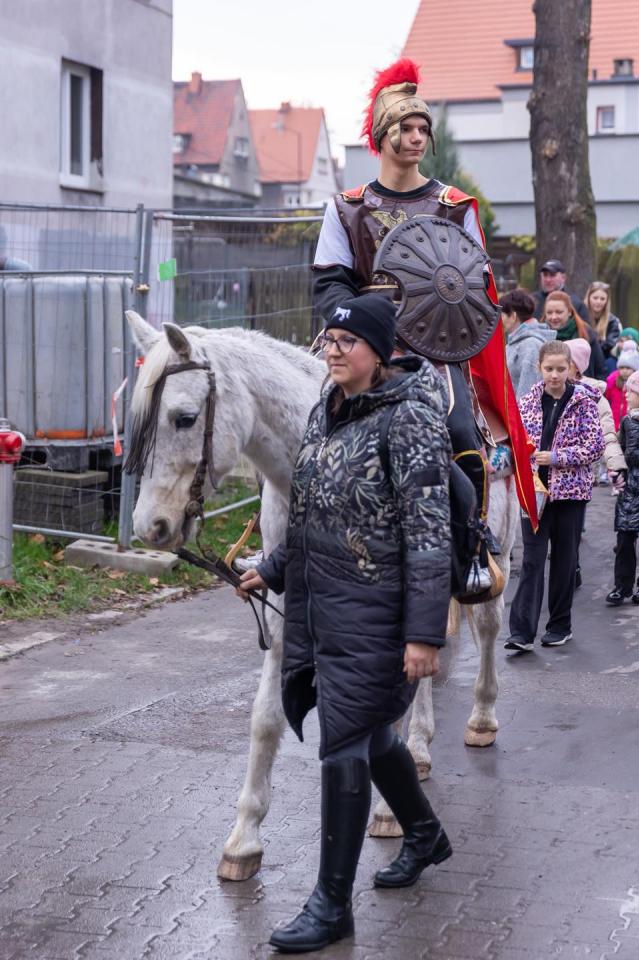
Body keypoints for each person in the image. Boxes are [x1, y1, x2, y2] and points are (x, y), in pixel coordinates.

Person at [238, 294, 453, 953]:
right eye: (327, 340)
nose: (331, 350)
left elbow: (428, 535)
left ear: (380, 351)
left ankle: (332, 904)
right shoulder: (324, 411)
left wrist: (422, 634)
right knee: (368, 733)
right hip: (322, 604)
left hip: (380, 613)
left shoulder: (411, 419)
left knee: (344, 745)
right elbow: (313, 508)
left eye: (345, 341)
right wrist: (273, 567)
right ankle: (425, 834)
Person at [312, 57, 538, 588]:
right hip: (364, 349)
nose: (416, 138)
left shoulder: (452, 206)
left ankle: (471, 555)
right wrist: (365, 333)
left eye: (422, 130)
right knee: (307, 429)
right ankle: (288, 546)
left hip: (436, 354)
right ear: (381, 135)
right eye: (406, 128)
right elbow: (330, 286)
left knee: (461, 433)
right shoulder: (347, 208)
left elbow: (475, 287)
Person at [505, 340, 604, 652]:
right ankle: (521, 633)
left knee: (564, 560)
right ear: (539, 368)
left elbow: (595, 447)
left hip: (570, 493)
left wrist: (557, 456)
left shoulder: (585, 402)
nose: (555, 374)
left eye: (561, 368)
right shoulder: (528, 401)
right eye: (549, 369)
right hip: (534, 492)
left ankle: (560, 626)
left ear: (571, 368)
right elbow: (516, 440)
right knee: (532, 561)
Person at [566, 338, 627, 587]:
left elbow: (607, 432)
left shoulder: (593, 396)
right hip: (549, 471)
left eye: (565, 363)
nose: (556, 369)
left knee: (572, 527)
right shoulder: (546, 389)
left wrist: (615, 464)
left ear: (577, 367)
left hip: (580, 474)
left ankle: (573, 565)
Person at [606, 369, 639, 606]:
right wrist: (615, 469)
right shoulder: (628, 421)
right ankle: (622, 586)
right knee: (625, 540)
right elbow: (619, 448)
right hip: (630, 489)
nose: (626, 394)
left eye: (632, 390)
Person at [500, 288, 556, 399]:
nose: (499, 320)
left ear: (513, 316)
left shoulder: (531, 346)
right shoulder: (515, 342)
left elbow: (528, 392)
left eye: (501, 316)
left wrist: (517, 416)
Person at [542, 291, 606, 380]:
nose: (553, 317)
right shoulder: (540, 335)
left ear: (569, 312)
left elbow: (600, 371)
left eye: (559, 312)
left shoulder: (585, 333)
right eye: (549, 313)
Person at [532, 259, 589, 323]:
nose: (548, 280)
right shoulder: (531, 301)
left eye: (552, 275)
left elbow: (585, 330)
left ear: (563, 278)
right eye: (545, 275)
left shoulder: (575, 303)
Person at [583, 281, 622, 374]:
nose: (598, 302)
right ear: (588, 298)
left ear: (607, 301)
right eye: (595, 298)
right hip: (582, 358)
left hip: (603, 361)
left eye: (602, 299)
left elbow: (610, 346)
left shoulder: (613, 322)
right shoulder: (580, 317)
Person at [605, 350, 639, 430]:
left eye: (628, 368)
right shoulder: (613, 383)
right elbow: (607, 398)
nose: (624, 371)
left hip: (629, 425)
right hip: (614, 424)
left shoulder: (636, 387)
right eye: (622, 368)